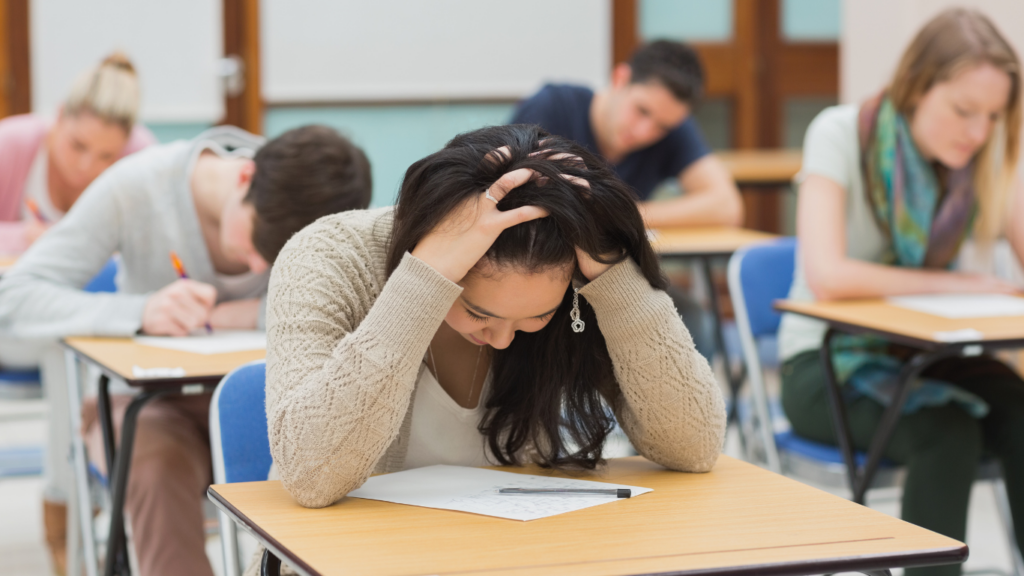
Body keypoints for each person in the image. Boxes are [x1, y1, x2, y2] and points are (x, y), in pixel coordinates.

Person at [250, 124, 725, 573]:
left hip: (511, 557)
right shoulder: (330, 255)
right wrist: (422, 280)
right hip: (350, 560)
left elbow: (694, 446)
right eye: (479, 313)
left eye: (536, 317)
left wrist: (615, 279)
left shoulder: (579, 271)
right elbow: (312, 475)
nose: (500, 339)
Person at [0, 124, 372, 576]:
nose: (259, 267)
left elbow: (363, 306)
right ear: (243, 176)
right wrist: (141, 311)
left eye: (275, 262)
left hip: (270, 402)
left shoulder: (312, 195)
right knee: (154, 462)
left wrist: (242, 312)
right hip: (148, 405)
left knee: (344, 459)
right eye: (257, 246)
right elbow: (15, 296)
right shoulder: (135, 187)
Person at [777, 9, 1023, 576]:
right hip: (822, 365)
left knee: (1019, 406)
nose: (977, 131)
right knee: (947, 432)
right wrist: (955, 283)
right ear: (916, 88)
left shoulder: (978, 160)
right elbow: (829, 275)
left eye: (994, 116)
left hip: (919, 355)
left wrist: (1008, 161)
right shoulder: (838, 133)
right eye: (964, 111)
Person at [0, 51, 155, 574]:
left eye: (106, 156)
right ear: (58, 118)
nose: (88, 166)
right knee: (62, 334)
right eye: (77, 146)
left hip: (79, 328)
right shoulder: (13, 144)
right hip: (7, 320)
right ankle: (70, 514)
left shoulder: (144, 157)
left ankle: (73, 517)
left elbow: (148, 253)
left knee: (65, 340)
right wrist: (28, 238)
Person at [510, 40, 744, 359]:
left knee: (693, 321)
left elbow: (726, 206)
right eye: (641, 111)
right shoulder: (553, 107)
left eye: (662, 126)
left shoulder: (672, 125)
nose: (646, 131)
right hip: (541, 272)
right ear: (621, 79)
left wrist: (625, 212)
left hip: (617, 276)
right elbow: (514, 194)